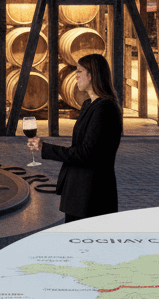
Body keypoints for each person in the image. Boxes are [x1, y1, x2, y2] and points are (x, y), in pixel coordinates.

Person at [27, 53, 123, 222]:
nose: (76, 76)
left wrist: (45, 148)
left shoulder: (105, 108)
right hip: (79, 193)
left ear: (91, 75)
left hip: (92, 195)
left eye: (79, 72)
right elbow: (79, 147)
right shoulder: (89, 104)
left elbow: (86, 154)